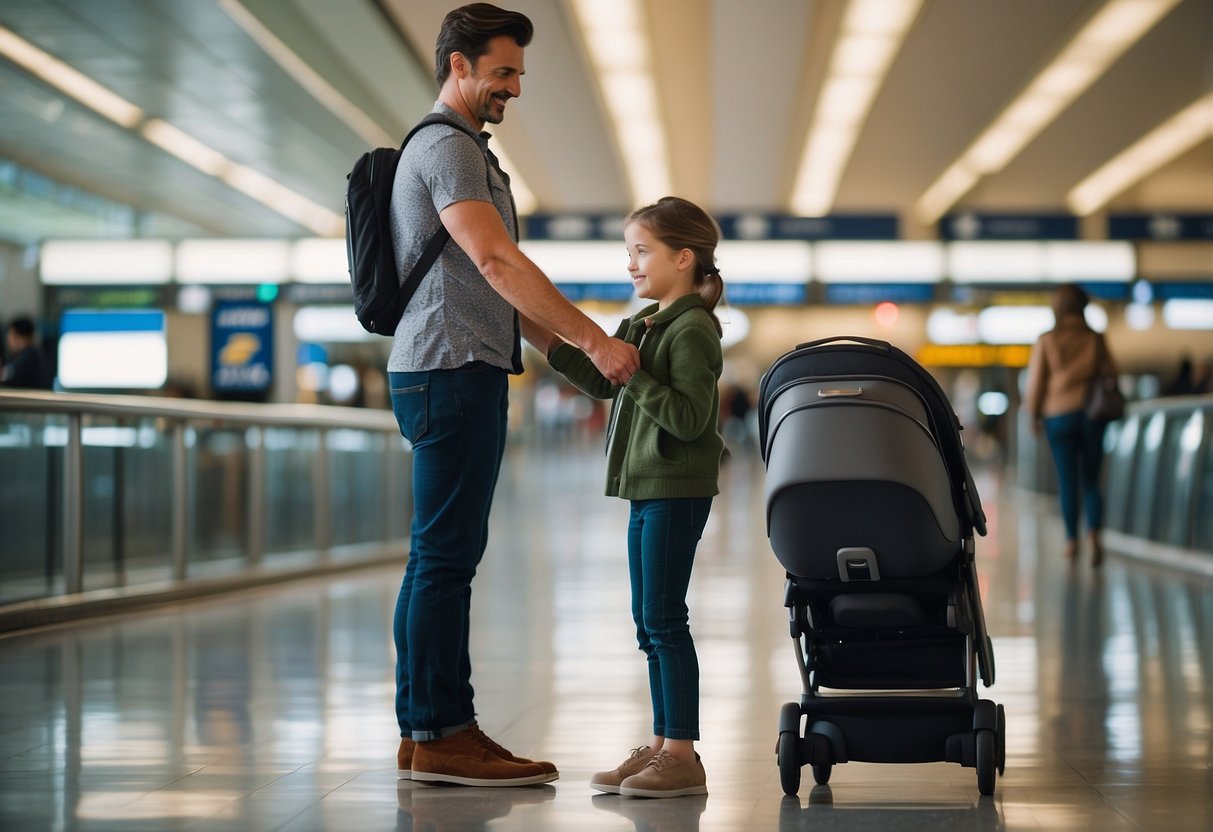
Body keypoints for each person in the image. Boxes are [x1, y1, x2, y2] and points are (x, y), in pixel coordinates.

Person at [387, 3, 640, 788]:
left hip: (454, 362)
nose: (514, 88)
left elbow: (494, 289)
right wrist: (597, 337)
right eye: (502, 72)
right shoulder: (449, 149)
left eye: (519, 75)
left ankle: (435, 724)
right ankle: (437, 734)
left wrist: (577, 359)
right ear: (457, 66)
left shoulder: (468, 151)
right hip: (450, 369)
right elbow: (496, 264)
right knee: (443, 560)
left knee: (439, 558)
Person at [531, 196, 725, 798]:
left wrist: (634, 375)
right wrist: (528, 321)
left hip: (676, 489)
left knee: (666, 619)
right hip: (647, 488)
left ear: (684, 258)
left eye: (643, 252)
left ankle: (683, 754)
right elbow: (596, 374)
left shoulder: (692, 328)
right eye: (629, 254)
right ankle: (665, 743)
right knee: (649, 621)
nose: (632, 265)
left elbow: (692, 419)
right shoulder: (644, 324)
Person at [1025, 284, 1118, 567]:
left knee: (1068, 480)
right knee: (1091, 479)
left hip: (1058, 415)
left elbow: (1036, 383)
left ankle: (1071, 541)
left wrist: (1033, 415)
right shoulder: (1096, 339)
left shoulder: (1047, 340)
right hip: (1092, 413)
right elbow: (1113, 372)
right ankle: (1095, 536)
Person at [0, 317, 53, 390]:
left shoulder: (29, 357)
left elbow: (6, 376)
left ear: (18, 337)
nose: (8, 341)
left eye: (10, 335)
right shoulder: (35, 354)